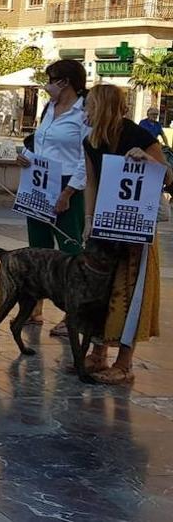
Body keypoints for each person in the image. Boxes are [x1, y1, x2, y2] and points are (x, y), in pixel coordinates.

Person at [81, 84, 165, 385]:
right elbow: (91, 182)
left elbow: (168, 177)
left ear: (102, 106)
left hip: (135, 227)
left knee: (130, 293)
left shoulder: (138, 136)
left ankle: (125, 363)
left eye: (89, 105)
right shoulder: (90, 140)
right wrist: (88, 219)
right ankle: (97, 353)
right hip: (105, 223)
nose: (85, 111)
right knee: (99, 290)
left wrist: (148, 159)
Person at [16, 60, 88, 334]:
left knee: (69, 249)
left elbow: (86, 157)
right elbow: (42, 144)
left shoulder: (84, 113)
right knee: (38, 248)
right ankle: (34, 307)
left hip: (68, 183)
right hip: (40, 180)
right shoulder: (49, 108)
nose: (46, 84)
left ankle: (73, 312)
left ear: (64, 82)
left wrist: (70, 192)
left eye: (50, 79)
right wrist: (27, 158)